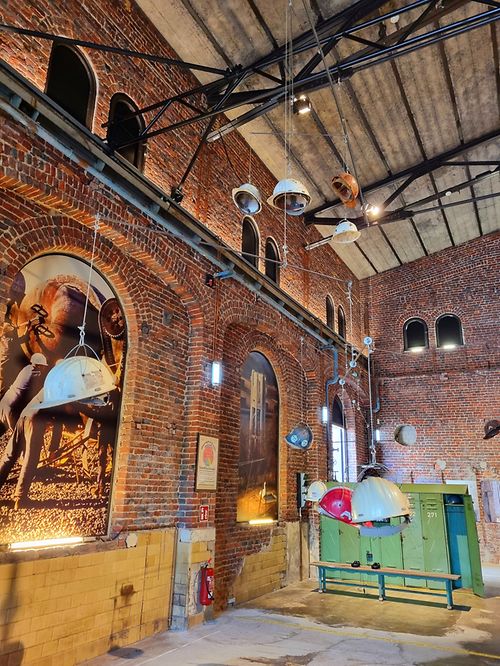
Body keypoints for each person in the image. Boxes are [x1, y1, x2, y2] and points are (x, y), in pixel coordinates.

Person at [0, 353, 48, 437]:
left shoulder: (26, 368)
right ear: (38, 365)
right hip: (11, 407)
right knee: (18, 435)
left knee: (2, 429)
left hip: (4, 401)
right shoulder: (35, 374)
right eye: (43, 366)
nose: (44, 368)